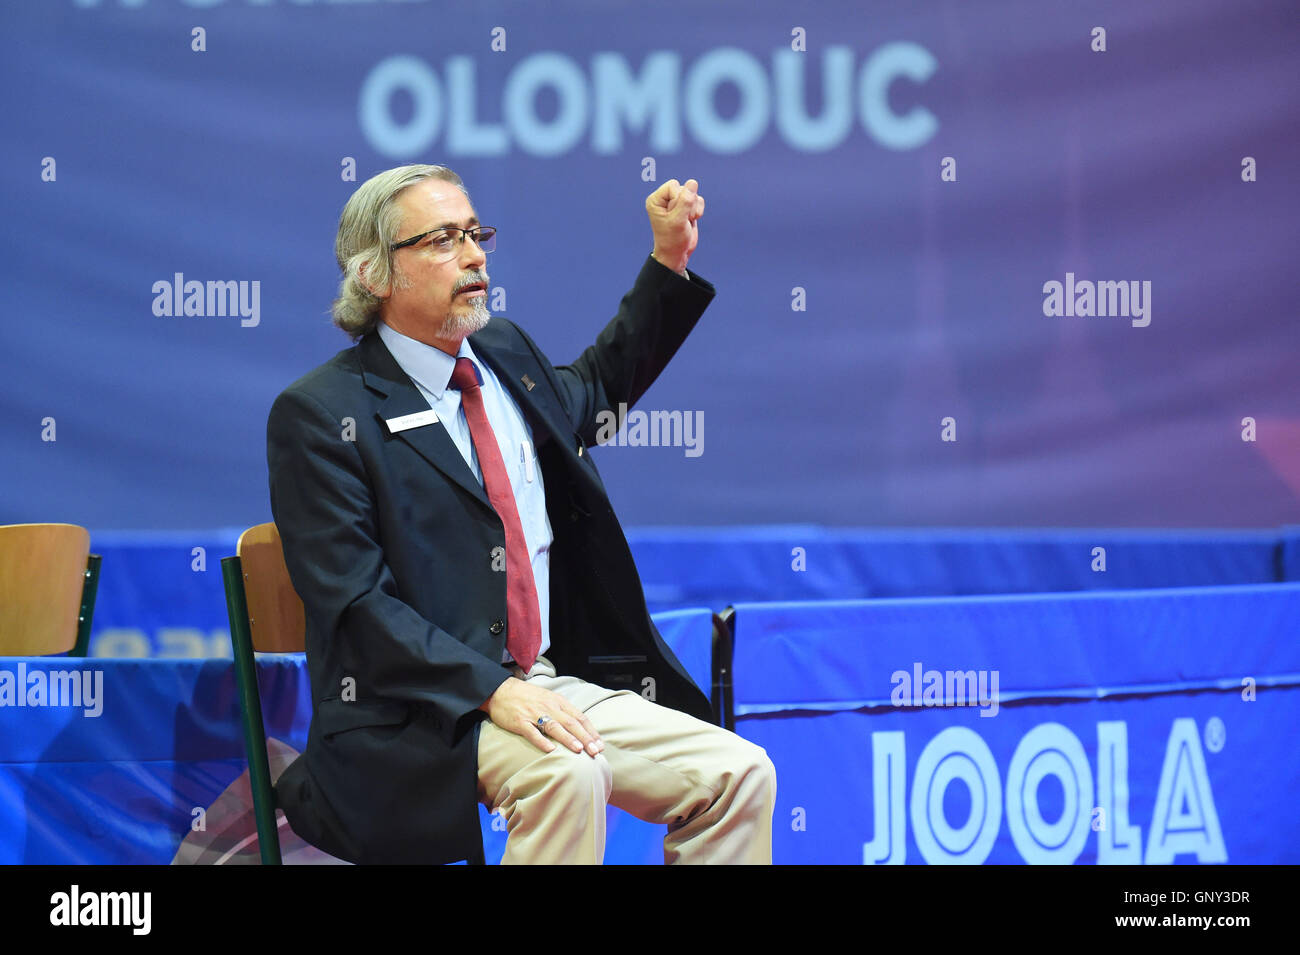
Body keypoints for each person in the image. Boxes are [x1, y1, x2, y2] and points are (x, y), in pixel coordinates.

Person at [266, 163, 775, 864]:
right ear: (374, 275)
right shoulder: (324, 414)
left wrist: (668, 263)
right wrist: (491, 690)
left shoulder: (501, 352)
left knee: (739, 773)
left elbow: (594, 393)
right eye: (442, 240)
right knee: (568, 774)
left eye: (476, 234)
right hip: (411, 715)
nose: (474, 255)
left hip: (544, 683)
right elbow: (354, 604)